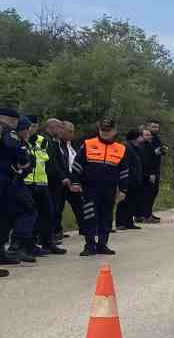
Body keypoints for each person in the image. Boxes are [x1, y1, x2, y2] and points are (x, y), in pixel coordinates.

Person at [73, 118, 131, 257]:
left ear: (114, 131)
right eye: (103, 130)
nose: (105, 133)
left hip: (109, 189)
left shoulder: (121, 148)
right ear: (99, 130)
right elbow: (77, 165)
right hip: (90, 188)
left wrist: (123, 190)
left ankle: (102, 244)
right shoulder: (88, 144)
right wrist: (75, 182)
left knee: (106, 216)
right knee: (90, 216)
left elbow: (124, 172)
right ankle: (89, 245)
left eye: (108, 130)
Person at [1, 112, 40, 266]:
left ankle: (8, 250)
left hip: (13, 181)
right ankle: (17, 246)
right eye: (26, 128)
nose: (29, 131)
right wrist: (23, 160)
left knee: (7, 216)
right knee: (28, 209)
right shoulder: (11, 135)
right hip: (11, 182)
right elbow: (15, 150)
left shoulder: (22, 140)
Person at [25, 119, 64, 255]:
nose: (32, 129)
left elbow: (49, 161)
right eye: (30, 126)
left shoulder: (43, 140)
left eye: (35, 126)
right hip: (28, 182)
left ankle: (47, 242)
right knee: (31, 215)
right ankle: (29, 244)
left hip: (43, 182)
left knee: (48, 213)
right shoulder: (21, 140)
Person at [115, 128, 150, 231]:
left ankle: (129, 222)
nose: (142, 138)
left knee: (132, 202)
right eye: (140, 136)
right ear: (134, 137)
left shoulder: (136, 147)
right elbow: (125, 164)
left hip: (135, 179)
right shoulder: (126, 147)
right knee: (124, 202)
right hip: (128, 179)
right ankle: (120, 223)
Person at [137, 120, 165, 223]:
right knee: (147, 193)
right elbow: (147, 159)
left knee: (152, 192)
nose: (155, 129)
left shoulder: (155, 139)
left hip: (155, 169)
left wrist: (161, 150)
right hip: (148, 171)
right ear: (148, 127)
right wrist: (150, 173)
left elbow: (157, 152)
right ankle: (145, 215)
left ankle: (147, 213)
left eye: (157, 127)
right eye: (153, 127)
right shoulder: (144, 143)